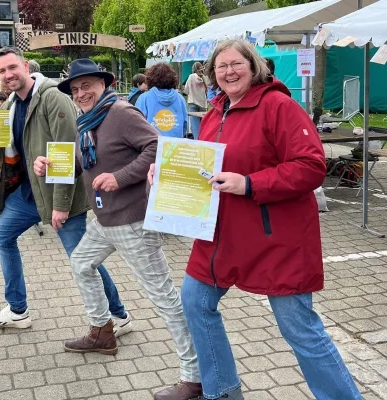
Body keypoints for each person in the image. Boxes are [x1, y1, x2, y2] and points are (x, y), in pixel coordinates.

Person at [148, 39, 362, 400]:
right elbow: (207, 165)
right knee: (196, 301)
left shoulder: (279, 106)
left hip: (275, 236)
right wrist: (168, 172)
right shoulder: (217, 110)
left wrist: (249, 183)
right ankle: (222, 391)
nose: (229, 71)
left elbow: (311, 167)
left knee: (300, 330)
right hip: (222, 233)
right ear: (212, 73)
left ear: (254, 66)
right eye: (221, 66)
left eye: (236, 64)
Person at [34, 58, 202, 400]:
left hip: (133, 221)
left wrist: (121, 177)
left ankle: (195, 375)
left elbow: (157, 147)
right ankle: (102, 332)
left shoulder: (121, 112)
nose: (81, 93)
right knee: (82, 263)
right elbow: (89, 161)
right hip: (104, 219)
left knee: (165, 298)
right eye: (76, 88)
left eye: (87, 86)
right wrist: (51, 164)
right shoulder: (88, 120)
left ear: (104, 84)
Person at [0, 48, 131, 337]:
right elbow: (8, 154)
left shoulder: (52, 97)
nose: (8, 75)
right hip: (26, 194)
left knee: (81, 259)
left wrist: (61, 204)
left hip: (60, 196)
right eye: (1, 71)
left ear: (25, 66)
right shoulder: (10, 104)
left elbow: (67, 153)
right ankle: (17, 310)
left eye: (12, 68)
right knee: (2, 236)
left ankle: (118, 315)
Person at [135, 63, 187, 138]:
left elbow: (137, 124)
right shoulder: (180, 99)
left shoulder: (144, 98)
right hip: (174, 146)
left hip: (151, 145)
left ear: (150, 79)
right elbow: (184, 124)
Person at [184, 62, 208, 139]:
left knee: (195, 126)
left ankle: (197, 142)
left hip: (193, 102)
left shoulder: (191, 76)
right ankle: (204, 139)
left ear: (193, 69)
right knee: (203, 126)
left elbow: (186, 91)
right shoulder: (205, 77)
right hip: (203, 104)